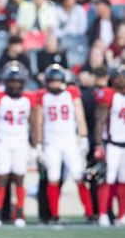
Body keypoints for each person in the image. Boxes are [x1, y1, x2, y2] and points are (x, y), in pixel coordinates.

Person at [35, 64, 94, 223]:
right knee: (53, 177)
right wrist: (39, 144)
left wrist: (83, 136)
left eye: (57, 80)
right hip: (51, 142)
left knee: (78, 175)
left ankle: (89, 213)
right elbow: (39, 122)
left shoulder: (72, 93)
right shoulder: (43, 95)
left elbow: (79, 116)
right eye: (51, 81)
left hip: (69, 141)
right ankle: (54, 215)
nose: (54, 84)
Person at [0, 61, 39, 227]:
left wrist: (36, 145)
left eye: (18, 82)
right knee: (1, 177)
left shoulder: (29, 98)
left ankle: (19, 213)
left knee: (19, 177)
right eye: (12, 82)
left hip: (21, 141)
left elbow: (34, 123)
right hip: (3, 140)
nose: (15, 85)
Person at [94, 65, 125, 227]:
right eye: (121, 76)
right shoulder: (109, 95)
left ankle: (121, 215)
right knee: (107, 178)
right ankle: (103, 214)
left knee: (123, 180)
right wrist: (98, 144)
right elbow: (100, 121)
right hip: (112, 144)